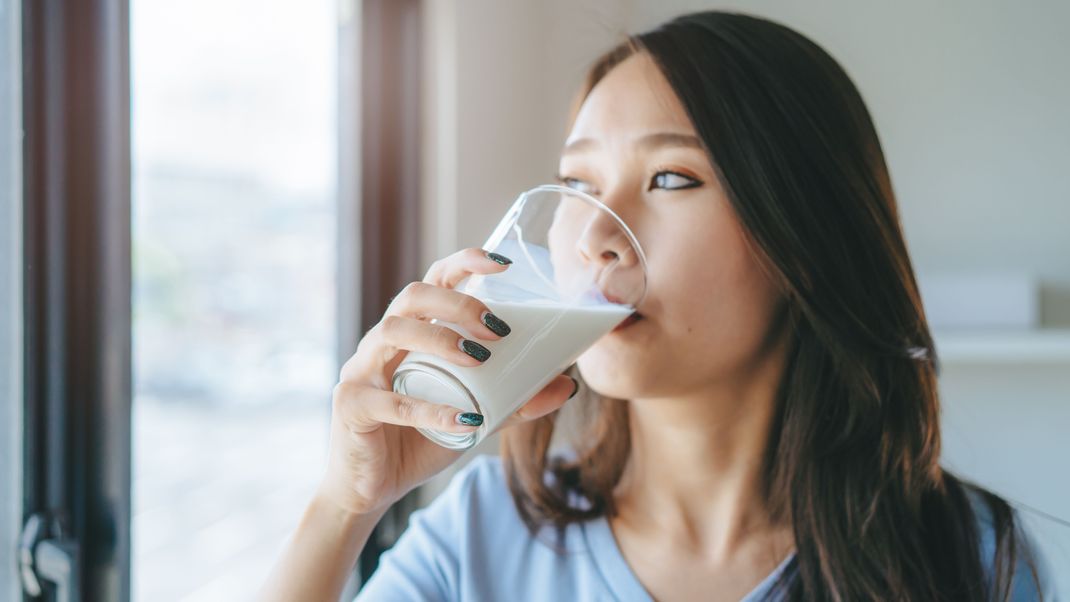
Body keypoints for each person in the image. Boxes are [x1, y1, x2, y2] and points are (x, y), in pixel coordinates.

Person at [261, 11, 1053, 601]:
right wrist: (346, 506)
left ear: (803, 236)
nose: (598, 241)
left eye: (671, 179)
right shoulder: (483, 532)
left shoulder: (965, 559)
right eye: (578, 187)